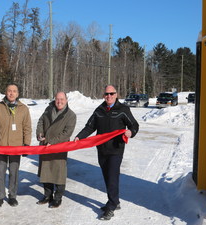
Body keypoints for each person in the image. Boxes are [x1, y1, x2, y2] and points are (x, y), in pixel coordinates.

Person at [74, 85, 139, 220]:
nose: (108, 96)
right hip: (102, 149)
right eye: (106, 94)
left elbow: (134, 125)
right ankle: (115, 201)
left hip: (116, 149)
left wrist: (130, 132)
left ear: (116, 94)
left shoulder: (123, 110)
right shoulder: (99, 110)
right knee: (107, 176)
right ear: (104, 95)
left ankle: (111, 205)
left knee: (112, 177)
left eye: (111, 93)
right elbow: (90, 126)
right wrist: (79, 137)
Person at [0, 84, 32, 208]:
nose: (11, 93)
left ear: (18, 93)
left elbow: (27, 128)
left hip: (16, 147)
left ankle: (12, 196)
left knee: (14, 172)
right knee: (0, 173)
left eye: (14, 91)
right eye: (9, 91)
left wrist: (26, 144)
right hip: (0, 146)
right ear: (6, 92)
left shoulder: (24, 109)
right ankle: (0, 197)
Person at [36, 92, 76, 208]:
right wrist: (40, 134)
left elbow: (67, 133)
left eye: (62, 99)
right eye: (57, 99)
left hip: (59, 148)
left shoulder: (71, 115)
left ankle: (58, 198)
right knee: (46, 172)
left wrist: (52, 141)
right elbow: (41, 121)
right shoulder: (48, 109)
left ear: (66, 100)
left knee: (59, 174)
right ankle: (48, 196)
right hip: (45, 147)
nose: (59, 101)